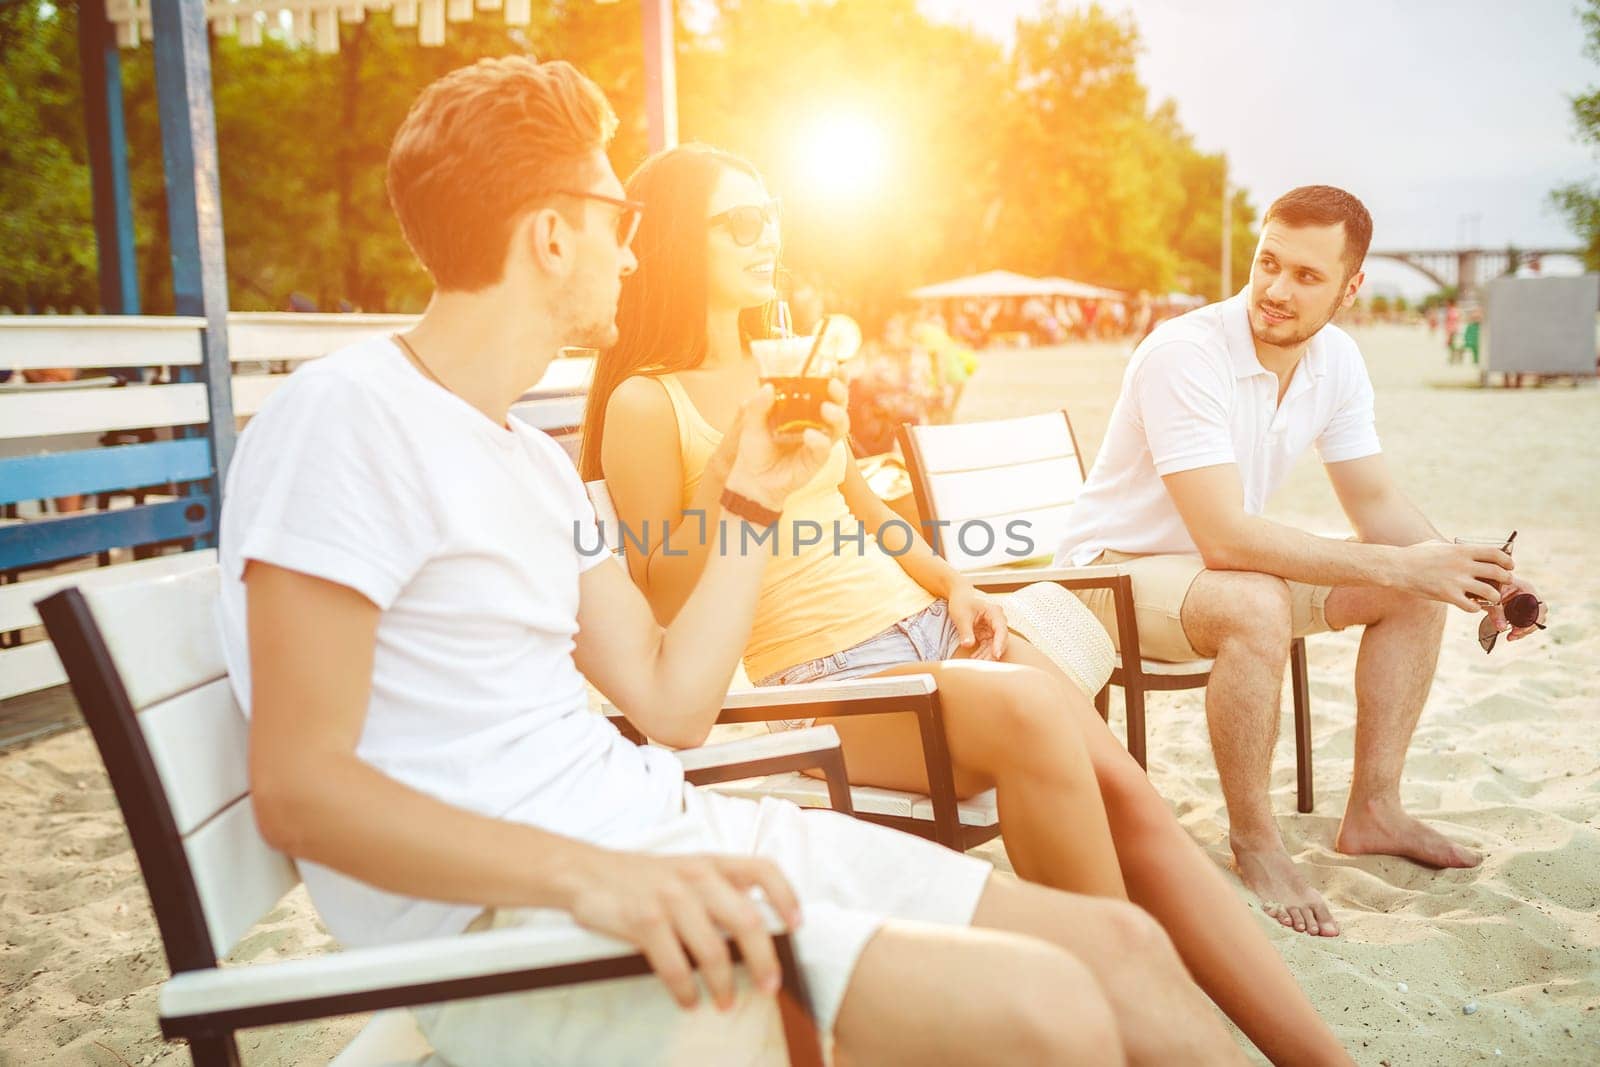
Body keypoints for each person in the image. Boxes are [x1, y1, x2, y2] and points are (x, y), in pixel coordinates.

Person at [219, 56, 1256, 1066]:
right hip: (521, 928)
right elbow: (303, 788)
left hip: (661, 831)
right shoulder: (347, 416)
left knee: (1122, 949)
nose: (632, 255)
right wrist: (594, 877)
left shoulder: (527, 463)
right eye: (616, 224)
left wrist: (749, 498)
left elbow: (672, 703)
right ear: (546, 235)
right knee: (1054, 1009)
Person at [581, 144, 1349, 1066]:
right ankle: (1136, 1019)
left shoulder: (777, 362)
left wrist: (957, 584)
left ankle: (1320, 1058)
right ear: (673, 242)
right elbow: (666, 591)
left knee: (1131, 797)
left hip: (930, 632)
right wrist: (730, 468)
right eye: (738, 222)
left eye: (772, 213)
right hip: (828, 680)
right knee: (1033, 710)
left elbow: (868, 512)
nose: (767, 236)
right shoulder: (644, 403)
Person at [1054, 185, 1542, 939]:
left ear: (1351, 288)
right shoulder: (1185, 353)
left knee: (1408, 586)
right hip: (1109, 575)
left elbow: (1375, 501)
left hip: (1218, 576)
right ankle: (1256, 842)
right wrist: (1404, 563)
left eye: (1307, 277)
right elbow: (1222, 535)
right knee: (1261, 599)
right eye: (1268, 264)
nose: (1276, 291)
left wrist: (1468, 574)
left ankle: (1375, 810)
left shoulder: (1337, 360)